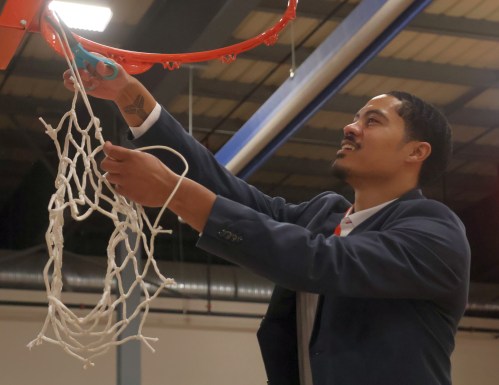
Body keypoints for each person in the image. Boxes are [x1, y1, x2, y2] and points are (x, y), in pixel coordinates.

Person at [63, 61, 470, 385]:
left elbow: (320, 262)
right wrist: (129, 94)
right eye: (356, 118)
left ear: (416, 152)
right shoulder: (322, 216)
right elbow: (226, 191)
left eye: (373, 121)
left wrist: (174, 191)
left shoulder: (434, 231)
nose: (350, 127)